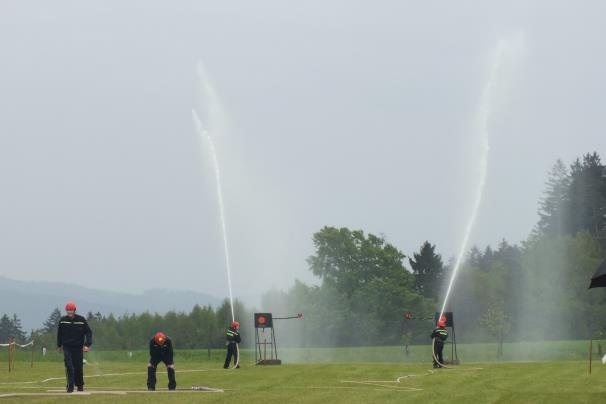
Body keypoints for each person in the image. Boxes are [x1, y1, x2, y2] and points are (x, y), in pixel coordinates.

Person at [57, 301, 93, 393]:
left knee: (78, 367)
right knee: (69, 366)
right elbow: (60, 334)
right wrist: (59, 345)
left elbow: (88, 332)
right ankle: (70, 386)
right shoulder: (63, 320)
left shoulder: (81, 320)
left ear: (74, 310)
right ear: (66, 310)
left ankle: (80, 385)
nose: (69, 312)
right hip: (67, 347)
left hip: (78, 348)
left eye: (71, 310)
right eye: (68, 310)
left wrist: (87, 344)